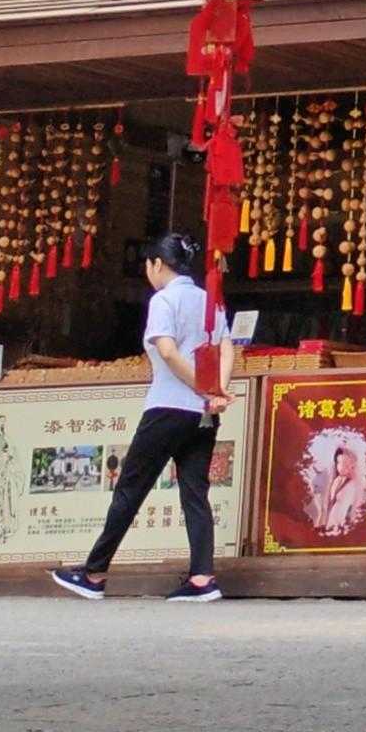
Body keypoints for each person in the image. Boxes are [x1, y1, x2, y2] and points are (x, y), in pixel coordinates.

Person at [53, 233, 227, 601]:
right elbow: (227, 346)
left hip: (167, 407)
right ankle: (202, 578)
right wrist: (216, 389)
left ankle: (95, 574)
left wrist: (200, 385)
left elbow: (166, 349)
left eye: (149, 265)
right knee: (195, 493)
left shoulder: (164, 300)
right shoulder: (208, 299)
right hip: (203, 413)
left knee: (130, 489)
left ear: (157, 265)